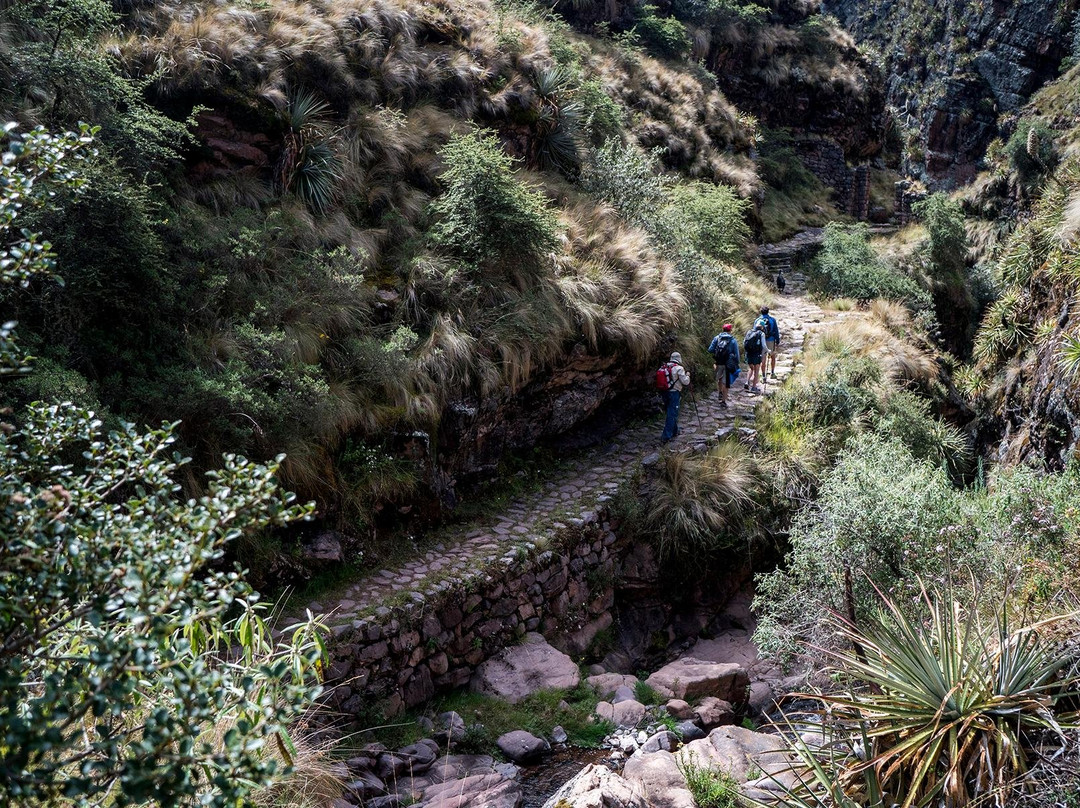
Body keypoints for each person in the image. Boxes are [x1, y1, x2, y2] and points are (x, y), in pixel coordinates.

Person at [658, 351, 691, 443]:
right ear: (679, 358)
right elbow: (685, 382)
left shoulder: (664, 367)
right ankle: (666, 436)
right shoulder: (679, 368)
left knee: (671, 412)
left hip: (664, 392)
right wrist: (688, 375)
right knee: (672, 414)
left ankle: (675, 431)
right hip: (674, 393)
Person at [707, 324, 740, 408]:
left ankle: (720, 393)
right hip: (728, 364)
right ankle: (723, 401)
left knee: (719, 378)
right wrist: (736, 363)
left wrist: (717, 353)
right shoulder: (733, 340)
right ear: (730, 330)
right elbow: (737, 354)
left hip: (718, 362)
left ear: (723, 329)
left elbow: (710, 350)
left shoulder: (717, 338)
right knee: (726, 382)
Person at [755, 306, 781, 380]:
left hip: (761, 340)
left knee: (763, 358)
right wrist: (777, 340)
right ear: (768, 311)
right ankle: (772, 373)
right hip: (771, 340)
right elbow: (776, 331)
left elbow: (755, 332)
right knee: (772, 356)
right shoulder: (772, 320)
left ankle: (763, 376)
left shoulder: (757, 320)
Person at [743, 323, 766, 393]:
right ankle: (754, 387)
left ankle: (747, 382)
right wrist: (768, 351)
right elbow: (764, 345)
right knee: (756, 370)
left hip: (749, 353)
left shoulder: (749, 332)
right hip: (757, 354)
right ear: (762, 328)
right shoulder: (761, 334)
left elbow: (744, 342)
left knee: (751, 368)